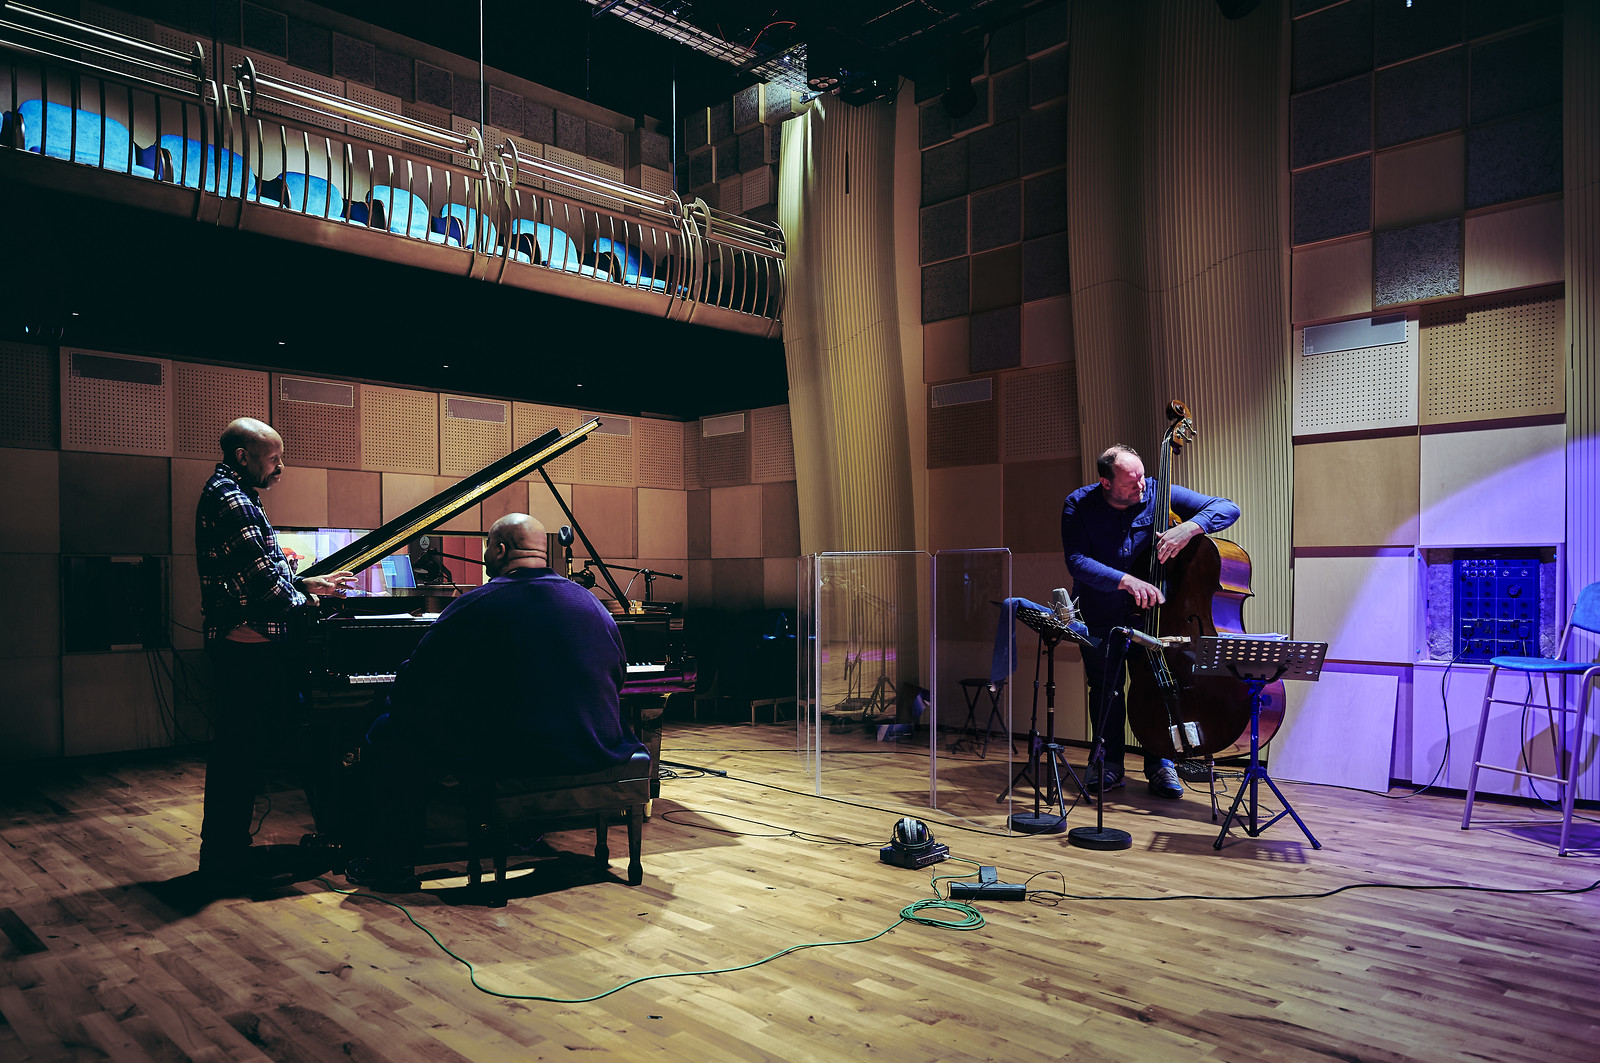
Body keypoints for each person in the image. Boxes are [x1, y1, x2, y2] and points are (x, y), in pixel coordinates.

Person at [346, 512, 647, 888]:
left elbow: (413, 684)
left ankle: (391, 864)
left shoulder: (477, 604)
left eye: (489, 548)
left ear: (500, 550)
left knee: (389, 734)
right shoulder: (591, 603)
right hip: (594, 745)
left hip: (514, 755)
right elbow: (615, 674)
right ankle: (524, 829)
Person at [194, 417, 355, 882]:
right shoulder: (234, 500)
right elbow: (267, 589)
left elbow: (260, 573)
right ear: (244, 457)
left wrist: (307, 581)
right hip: (249, 648)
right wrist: (308, 597)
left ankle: (227, 852)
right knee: (241, 755)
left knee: (241, 752)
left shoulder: (233, 493)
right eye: (273, 458)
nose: (280, 466)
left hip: (246, 643)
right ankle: (228, 856)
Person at [1060, 444, 1240, 799]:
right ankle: (1108, 764)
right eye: (1130, 482)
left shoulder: (1157, 490)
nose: (1141, 487)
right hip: (1103, 611)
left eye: (1142, 478)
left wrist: (1189, 528)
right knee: (1105, 689)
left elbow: (1227, 508)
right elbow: (1077, 561)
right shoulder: (1078, 504)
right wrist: (1125, 581)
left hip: (1158, 615)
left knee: (1161, 685)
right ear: (1106, 483)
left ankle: (1161, 764)